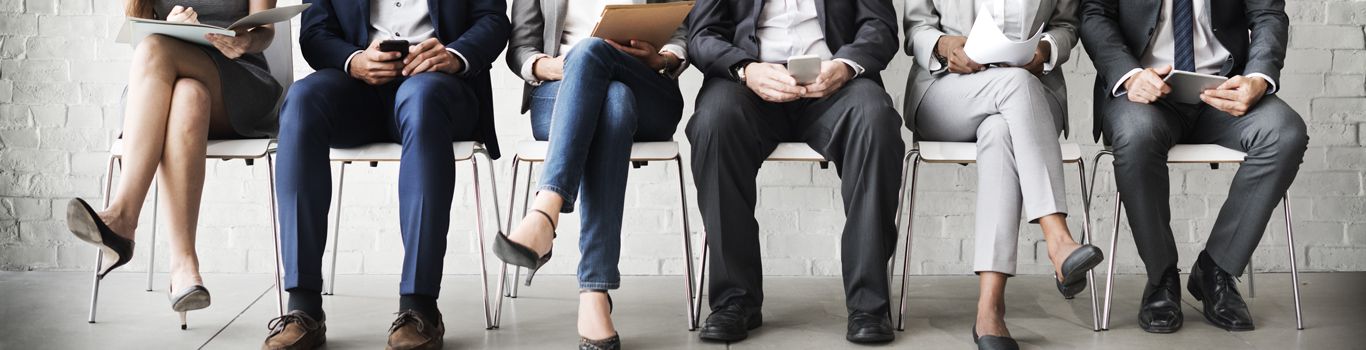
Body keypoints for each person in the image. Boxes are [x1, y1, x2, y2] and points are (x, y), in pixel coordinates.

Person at [261, 0, 509, 348]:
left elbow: (493, 21)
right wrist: (355, 61)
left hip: (439, 89)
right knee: (302, 100)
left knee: (421, 98)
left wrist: (453, 55)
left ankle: (420, 307)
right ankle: (303, 307)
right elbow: (315, 31)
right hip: (358, 90)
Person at [1080, 0, 1306, 333]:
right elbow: (1093, 13)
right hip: (1146, 93)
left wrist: (1257, 78)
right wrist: (1129, 76)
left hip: (1222, 90)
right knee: (1136, 135)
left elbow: (1268, 14)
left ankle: (1216, 269)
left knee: (1284, 133)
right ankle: (1161, 277)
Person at [685, 0, 903, 343]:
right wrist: (745, 69)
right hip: (749, 84)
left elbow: (880, 26)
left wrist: (845, 66)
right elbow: (701, 33)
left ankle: (869, 305)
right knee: (714, 122)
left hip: (835, 84)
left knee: (875, 120)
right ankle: (734, 301)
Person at [64, 0, 284, 330]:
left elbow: (266, 31)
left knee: (156, 50)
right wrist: (171, 26)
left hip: (238, 79)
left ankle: (123, 218)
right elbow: (138, 32)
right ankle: (184, 268)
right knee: (189, 95)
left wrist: (245, 40)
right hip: (163, 82)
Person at [904, 0, 1103, 348]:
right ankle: (1058, 240)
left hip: (1034, 98)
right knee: (1015, 83)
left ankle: (990, 311)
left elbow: (1067, 27)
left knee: (999, 130)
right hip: (948, 90)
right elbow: (916, 28)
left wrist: (1043, 50)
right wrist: (944, 45)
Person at [495, 0, 689, 348]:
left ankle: (544, 213)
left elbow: (683, 30)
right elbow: (521, 48)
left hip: (647, 87)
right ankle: (594, 294)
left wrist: (662, 58)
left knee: (591, 51)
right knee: (612, 100)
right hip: (559, 92)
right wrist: (549, 66)